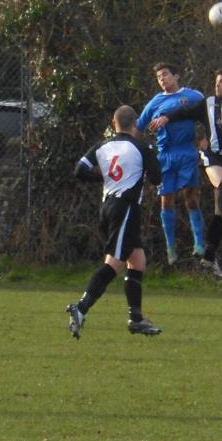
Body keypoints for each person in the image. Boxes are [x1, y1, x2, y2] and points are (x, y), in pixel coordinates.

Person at [149, 69, 222, 277]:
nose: (217, 85)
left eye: (221, 82)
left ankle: (208, 258)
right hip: (212, 157)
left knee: (221, 211)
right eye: (216, 81)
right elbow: (184, 113)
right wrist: (166, 117)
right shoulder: (208, 103)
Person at [66, 105, 163, 340]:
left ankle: (136, 318)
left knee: (137, 260)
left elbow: (80, 170)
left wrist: (102, 176)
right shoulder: (142, 147)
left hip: (109, 206)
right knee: (115, 263)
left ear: (113, 121)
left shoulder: (102, 146)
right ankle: (81, 307)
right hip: (126, 208)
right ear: (136, 123)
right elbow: (157, 178)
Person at [136, 62, 206, 265]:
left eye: (165, 75)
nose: (162, 80)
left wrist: (205, 137)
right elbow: (138, 127)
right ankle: (171, 248)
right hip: (165, 155)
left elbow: (207, 116)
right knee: (166, 199)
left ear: (176, 76)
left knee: (191, 198)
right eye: (159, 77)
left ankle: (199, 244)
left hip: (186, 152)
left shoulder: (193, 96)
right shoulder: (155, 102)